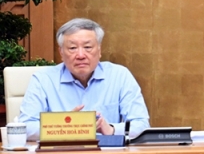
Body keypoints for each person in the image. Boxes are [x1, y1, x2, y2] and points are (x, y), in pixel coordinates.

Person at [19, 18, 150, 140]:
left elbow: (142, 125)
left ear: (99, 50)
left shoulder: (120, 75)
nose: (81, 55)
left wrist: (111, 129)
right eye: (72, 48)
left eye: (87, 47)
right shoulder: (43, 79)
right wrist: (63, 126)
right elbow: (25, 127)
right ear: (61, 53)